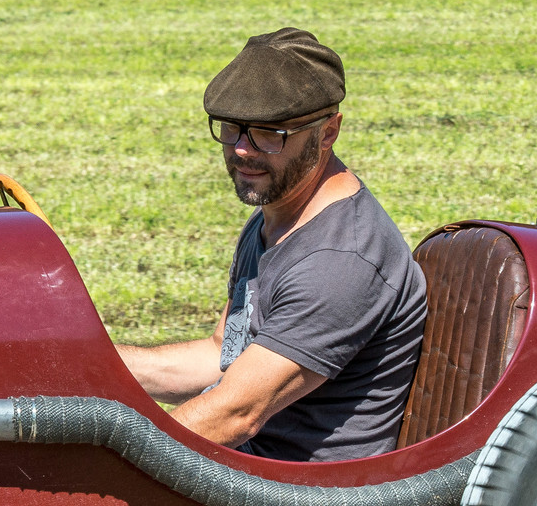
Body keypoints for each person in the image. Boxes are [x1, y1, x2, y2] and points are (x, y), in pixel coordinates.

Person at [115, 27, 427, 463]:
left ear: (329, 131)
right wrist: (79, 363)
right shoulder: (278, 217)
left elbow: (236, 413)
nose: (242, 150)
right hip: (251, 467)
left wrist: (107, 454)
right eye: (231, 128)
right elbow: (222, 354)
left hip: (297, 503)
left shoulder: (339, 261)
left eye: (269, 133)